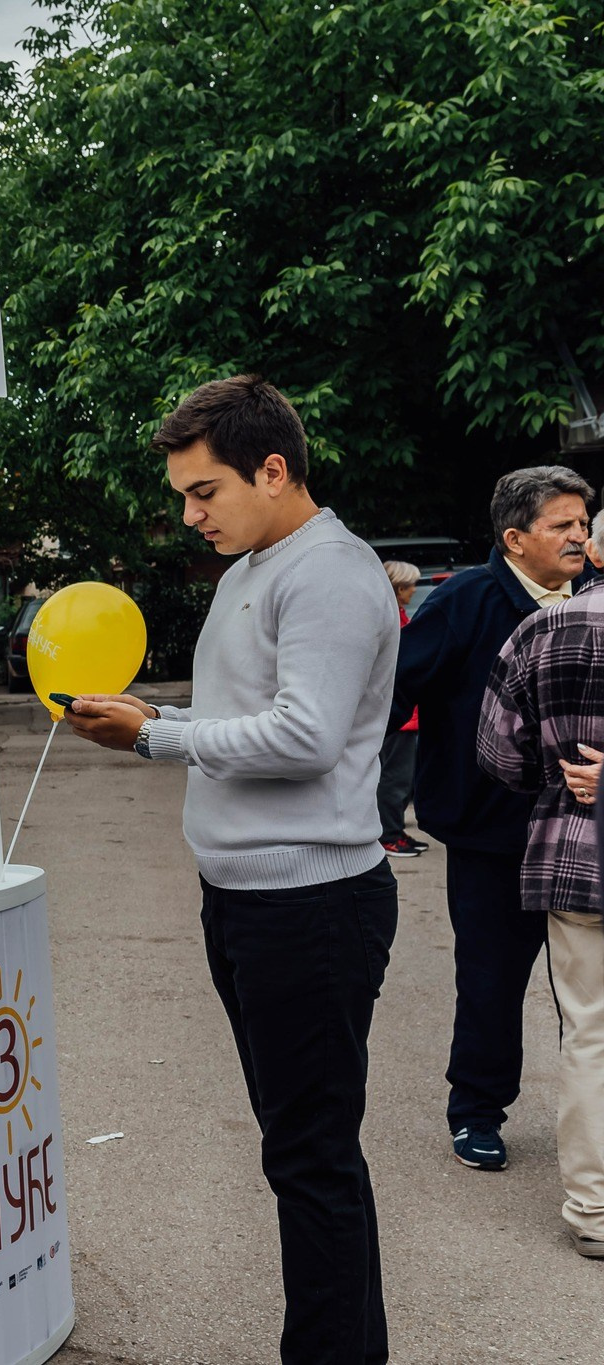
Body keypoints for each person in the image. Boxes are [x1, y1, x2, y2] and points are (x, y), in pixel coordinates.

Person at [58, 376, 397, 1365]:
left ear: (273, 469)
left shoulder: (326, 572)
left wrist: (158, 737)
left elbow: (304, 734)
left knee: (310, 1157)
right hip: (251, 898)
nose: (187, 513)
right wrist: (150, 721)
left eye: (202, 491)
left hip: (309, 904)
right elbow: (244, 716)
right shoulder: (259, 563)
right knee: (298, 1150)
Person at [393, 465, 596, 1171]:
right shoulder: (466, 600)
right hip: (491, 835)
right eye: (562, 524)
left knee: (591, 992)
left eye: (583, 521)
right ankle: (477, 1110)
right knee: (491, 980)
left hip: (584, 836)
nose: (579, 534)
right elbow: (394, 690)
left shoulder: (593, 601)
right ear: (514, 537)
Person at [477, 510, 604, 1259]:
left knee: (588, 1033)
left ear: (592, 548)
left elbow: (499, 750)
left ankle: (593, 1208)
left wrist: (554, 781)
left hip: (572, 855)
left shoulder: (538, 631)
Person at [377, 561, 424, 857]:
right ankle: (388, 835)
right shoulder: (390, 618)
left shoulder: (398, 615)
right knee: (395, 778)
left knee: (401, 778)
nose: (414, 591)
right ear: (398, 588)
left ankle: (395, 830)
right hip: (399, 716)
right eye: (409, 586)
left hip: (408, 713)